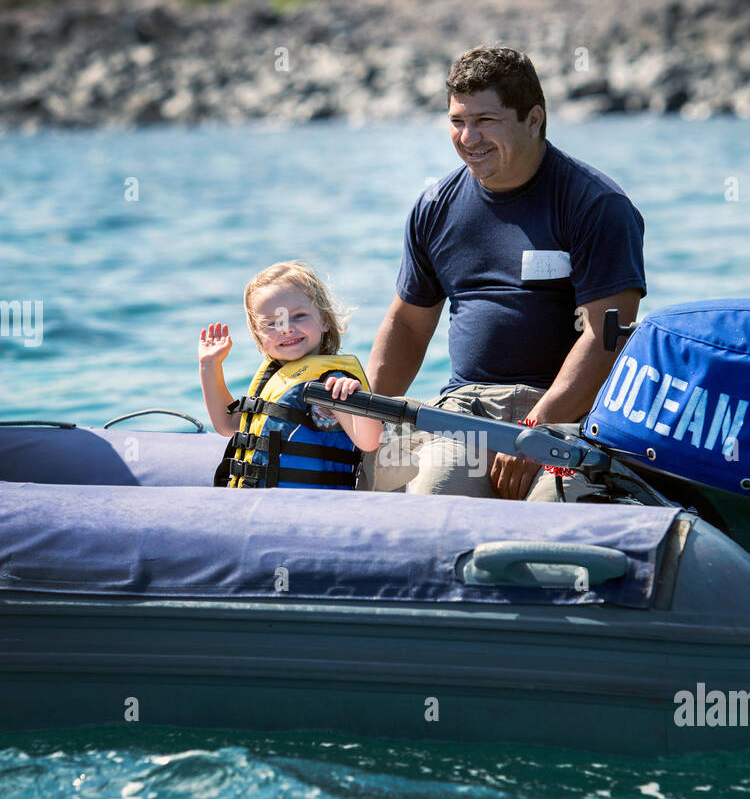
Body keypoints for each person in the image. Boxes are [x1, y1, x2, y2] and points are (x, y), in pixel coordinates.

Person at [361, 46, 647, 502]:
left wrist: (535, 432)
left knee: (554, 518)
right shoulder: (435, 207)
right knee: (436, 506)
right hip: (465, 415)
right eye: (457, 121)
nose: (468, 137)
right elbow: (408, 326)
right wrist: (365, 415)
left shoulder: (596, 205)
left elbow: (606, 338)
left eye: (486, 121)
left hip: (564, 419)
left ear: (533, 119)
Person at [200, 260, 381, 489]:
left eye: (298, 316)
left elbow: (370, 441)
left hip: (309, 508)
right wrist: (209, 366)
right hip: (261, 505)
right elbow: (227, 425)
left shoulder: (332, 382)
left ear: (324, 320)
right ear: (258, 334)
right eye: (272, 323)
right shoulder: (278, 380)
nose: (286, 328)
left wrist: (351, 398)